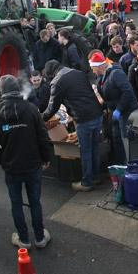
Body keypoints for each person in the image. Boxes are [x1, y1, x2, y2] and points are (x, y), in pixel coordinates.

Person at [0, 75, 52, 248]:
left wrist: (3, 160)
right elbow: (43, 137)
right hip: (32, 165)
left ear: (2, 91)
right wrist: (46, 158)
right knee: (35, 202)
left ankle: (23, 239)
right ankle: (39, 237)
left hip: (11, 168)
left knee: (16, 203)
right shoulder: (30, 109)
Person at [44, 59, 105, 192]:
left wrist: (42, 118)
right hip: (97, 114)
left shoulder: (57, 81)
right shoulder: (77, 73)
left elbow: (53, 106)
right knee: (94, 146)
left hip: (84, 118)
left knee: (86, 150)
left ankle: (87, 182)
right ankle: (95, 177)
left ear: (51, 74)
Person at [91, 51, 138, 165]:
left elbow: (128, 92)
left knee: (127, 138)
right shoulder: (101, 78)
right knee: (116, 138)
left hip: (126, 111)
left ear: (98, 67)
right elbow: (106, 97)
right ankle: (119, 163)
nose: (92, 71)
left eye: (93, 68)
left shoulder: (116, 73)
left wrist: (119, 109)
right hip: (115, 111)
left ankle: (133, 163)